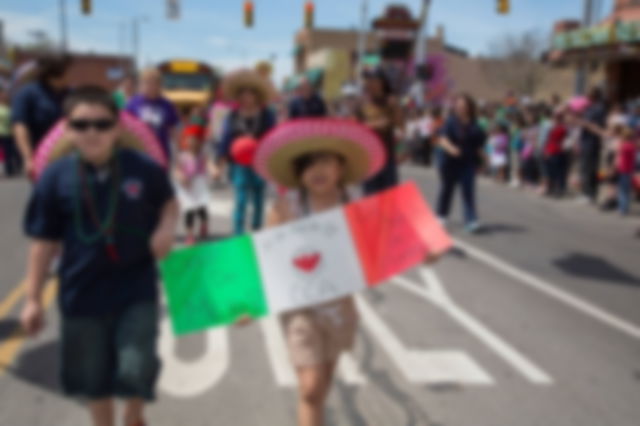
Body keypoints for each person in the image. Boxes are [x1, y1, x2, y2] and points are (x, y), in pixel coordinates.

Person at [19, 86, 178, 426]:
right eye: (81, 124)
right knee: (92, 377)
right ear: (67, 129)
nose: (92, 132)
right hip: (81, 291)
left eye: (102, 124)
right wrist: (33, 298)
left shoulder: (144, 167)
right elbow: (43, 242)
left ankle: (134, 413)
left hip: (136, 286)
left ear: (117, 128)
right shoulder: (53, 177)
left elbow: (169, 202)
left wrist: (166, 227)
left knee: (137, 365)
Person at [251, 118, 401, 426]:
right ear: (298, 173)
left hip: (340, 307)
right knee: (310, 386)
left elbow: (386, 249)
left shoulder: (354, 207)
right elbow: (264, 257)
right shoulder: (285, 206)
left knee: (321, 387)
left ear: (341, 167)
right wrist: (245, 303)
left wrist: (425, 250)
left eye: (325, 162)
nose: (317, 171)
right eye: (308, 165)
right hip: (299, 308)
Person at [218, 69, 276, 235]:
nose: (246, 97)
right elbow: (225, 139)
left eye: (250, 93)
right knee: (241, 201)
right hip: (239, 165)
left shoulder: (267, 115)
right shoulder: (232, 115)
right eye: (242, 93)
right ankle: (237, 235)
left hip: (260, 163)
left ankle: (258, 234)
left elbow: (273, 138)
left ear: (257, 96)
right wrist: (219, 163)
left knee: (259, 201)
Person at [11, 55, 70, 178]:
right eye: (66, 72)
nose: (70, 76)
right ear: (53, 75)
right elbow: (20, 126)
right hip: (42, 156)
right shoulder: (28, 93)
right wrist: (28, 158)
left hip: (68, 156)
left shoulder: (70, 94)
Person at [436, 93, 486, 232]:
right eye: (458, 106)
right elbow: (442, 139)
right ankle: (441, 216)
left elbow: (478, 145)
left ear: (469, 108)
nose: (461, 108)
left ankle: (471, 220)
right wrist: (451, 148)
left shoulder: (475, 124)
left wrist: (484, 158)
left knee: (468, 191)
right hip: (450, 162)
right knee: (447, 190)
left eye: (464, 106)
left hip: (467, 163)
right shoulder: (451, 121)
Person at [357, 68, 403, 195]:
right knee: (370, 200)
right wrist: (374, 125)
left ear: (382, 83)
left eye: (374, 81)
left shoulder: (391, 102)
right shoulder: (362, 103)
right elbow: (354, 128)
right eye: (369, 81)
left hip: (388, 158)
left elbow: (400, 127)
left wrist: (396, 107)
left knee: (389, 200)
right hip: (369, 159)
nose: (371, 84)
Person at [126, 67, 180, 161]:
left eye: (154, 83)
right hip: (139, 154)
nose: (150, 86)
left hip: (161, 154)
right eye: (146, 82)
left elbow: (174, 130)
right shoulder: (133, 103)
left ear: (160, 85)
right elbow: (125, 128)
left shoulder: (167, 104)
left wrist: (177, 153)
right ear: (141, 84)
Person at [174, 107, 211, 245]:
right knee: (188, 209)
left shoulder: (203, 155)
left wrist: (214, 171)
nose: (192, 142)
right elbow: (176, 170)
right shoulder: (182, 156)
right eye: (190, 139)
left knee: (201, 208)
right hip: (186, 186)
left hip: (199, 185)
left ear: (200, 142)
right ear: (186, 141)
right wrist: (180, 176)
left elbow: (210, 165)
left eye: (195, 140)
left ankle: (204, 222)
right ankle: (190, 235)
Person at [578, 88, 607, 204]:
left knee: (590, 168)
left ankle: (590, 194)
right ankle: (586, 192)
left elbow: (597, 126)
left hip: (592, 142)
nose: (586, 97)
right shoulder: (589, 108)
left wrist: (584, 123)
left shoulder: (599, 109)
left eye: (588, 95)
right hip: (585, 140)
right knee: (585, 168)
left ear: (594, 96)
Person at [544, 110, 568, 197]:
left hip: (558, 151)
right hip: (550, 150)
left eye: (557, 118)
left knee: (559, 172)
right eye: (554, 118)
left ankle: (559, 189)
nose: (555, 120)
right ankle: (551, 188)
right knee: (551, 171)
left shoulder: (562, 128)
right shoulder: (552, 128)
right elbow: (549, 140)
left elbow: (560, 139)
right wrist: (546, 151)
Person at [615, 126, 637, 216]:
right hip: (627, 170)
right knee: (625, 190)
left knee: (623, 190)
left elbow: (619, 153)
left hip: (624, 170)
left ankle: (622, 209)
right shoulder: (631, 145)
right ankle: (624, 207)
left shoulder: (625, 146)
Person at [0, 88, 21, 177]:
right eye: (3, 95)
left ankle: (10, 169)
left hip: (9, 133)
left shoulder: (10, 107)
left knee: (10, 152)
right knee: (6, 152)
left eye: (5, 95)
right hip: (1, 133)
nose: (5, 96)